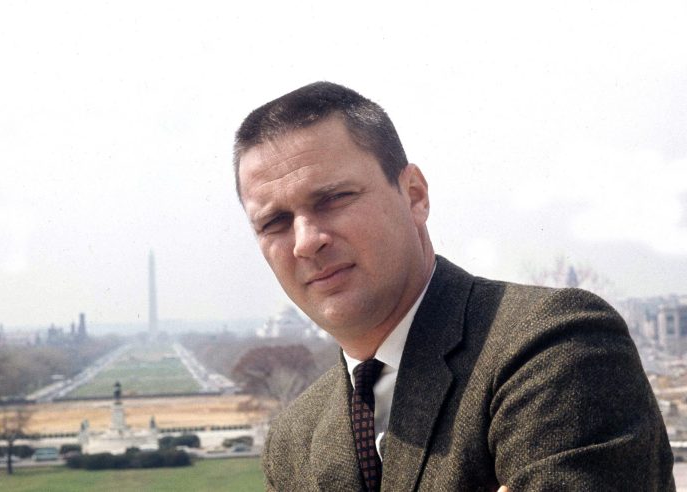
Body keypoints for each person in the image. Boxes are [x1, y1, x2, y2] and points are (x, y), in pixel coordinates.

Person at [233, 81, 674, 491]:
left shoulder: (553, 346)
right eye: (274, 222)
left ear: (415, 195)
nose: (306, 241)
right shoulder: (293, 441)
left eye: (333, 199)